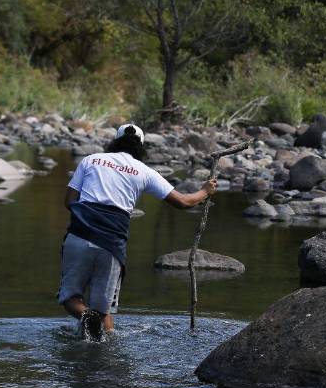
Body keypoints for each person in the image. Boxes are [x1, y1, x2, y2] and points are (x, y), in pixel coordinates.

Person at [58, 123, 217, 340]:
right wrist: (205, 191)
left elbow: (69, 201)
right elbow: (183, 202)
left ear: (114, 141)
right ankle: (107, 345)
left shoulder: (91, 160)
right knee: (104, 310)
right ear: (141, 147)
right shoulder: (144, 171)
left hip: (79, 237)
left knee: (70, 298)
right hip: (112, 245)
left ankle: (85, 316)